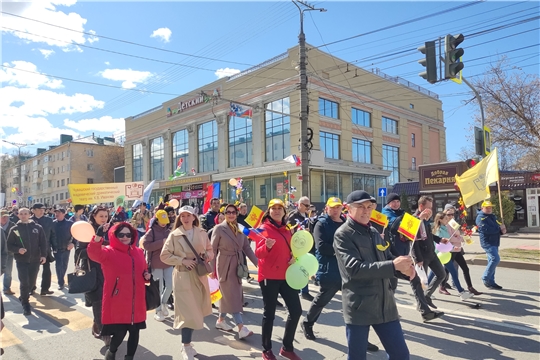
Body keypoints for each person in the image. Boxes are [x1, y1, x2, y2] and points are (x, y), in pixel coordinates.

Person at [334, 190, 414, 360]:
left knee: (401, 355)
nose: (366, 210)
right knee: (357, 357)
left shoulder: (374, 232)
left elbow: (387, 258)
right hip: (360, 307)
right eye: (361, 206)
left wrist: (405, 270)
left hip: (386, 306)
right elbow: (354, 269)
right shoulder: (343, 234)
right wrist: (393, 266)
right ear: (348, 208)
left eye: (370, 206)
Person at [302, 197, 379, 350]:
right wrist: (344, 252)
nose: (335, 210)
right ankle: (307, 323)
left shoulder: (346, 221)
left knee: (356, 305)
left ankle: (360, 338)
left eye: (338, 207)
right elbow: (322, 246)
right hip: (330, 270)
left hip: (348, 270)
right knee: (322, 299)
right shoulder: (321, 224)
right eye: (333, 207)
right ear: (327, 208)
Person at [88, 222, 150, 360]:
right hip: (118, 300)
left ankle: (129, 357)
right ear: (114, 235)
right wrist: (98, 236)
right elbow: (93, 253)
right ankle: (112, 351)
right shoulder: (108, 252)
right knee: (120, 332)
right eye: (121, 234)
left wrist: (146, 275)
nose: (125, 237)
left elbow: (143, 269)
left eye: (128, 234)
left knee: (135, 332)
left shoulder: (138, 251)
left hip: (137, 299)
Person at [160, 206, 214, 360]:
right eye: (182, 216)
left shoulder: (202, 233)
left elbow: (210, 250)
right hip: (182, 276)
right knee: (186, 313)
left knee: (196, 311)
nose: (185, 218)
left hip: (199, 275)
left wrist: (207, 256)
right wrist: (182, 260)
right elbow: (164, 255)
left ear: (194, 217)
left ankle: (188, 344)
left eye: (188, 215)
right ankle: (185, 345)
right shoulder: (174, 235)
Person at [256, 198, 303, 360]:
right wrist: (266, 246)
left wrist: (294, 258)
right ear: (268, 212)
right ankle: (266, 349)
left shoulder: (288, 230)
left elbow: (293, 251)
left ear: (284, 212)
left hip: (287, 276)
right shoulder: (262, 229)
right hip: (269, 276)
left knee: (296, 311)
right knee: (269, 314)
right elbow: (258, 254)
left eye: (279, 208)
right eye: (273, 208)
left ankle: (287, 348)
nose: (276, 211)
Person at [210, 204, 258, 339]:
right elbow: (212, 250)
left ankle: (220, 320)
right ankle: (241, 327)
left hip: (237, 264)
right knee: (232, 295)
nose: (231, 214)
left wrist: (257, 263)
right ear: (224, 214)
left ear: (236, 214)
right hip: (224, 264)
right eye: (228, 212)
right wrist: (211, 269)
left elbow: (247, 248)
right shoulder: (219, 229)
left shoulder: (241, 229)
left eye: (233, 212)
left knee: (231, 294)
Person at [76, 206, 111, 346]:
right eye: (101, 216)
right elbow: (80, 252)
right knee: (98, 301)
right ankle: (104, 332)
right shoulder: (87, 230)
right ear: (94, 217)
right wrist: (98, 247)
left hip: (108, 270)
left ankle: (98, 323)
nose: (104, 219)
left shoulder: (111, 229)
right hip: (93, 271)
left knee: (108, 301)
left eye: (106, 216)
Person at [6, 208, 47, 316]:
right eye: (21, 214)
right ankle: (25, 304)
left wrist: (43, 255)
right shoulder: (14, 229)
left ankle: (23, 296)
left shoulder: (37, 228)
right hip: (21, 261)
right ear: (18, 215)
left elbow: (43, 242)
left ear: (30, 214)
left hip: (35, 260)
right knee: (24, 282)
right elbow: (9, 245)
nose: (23, 216)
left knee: (32, 282)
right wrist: (18, 250)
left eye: (25, 214)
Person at [429, 212, 474, 301]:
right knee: (438, 273)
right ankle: (425, 290)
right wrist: (451, 247)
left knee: (449, 272)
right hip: (439, 254)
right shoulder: (439, 230)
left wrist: (453, 247)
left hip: (444, 254)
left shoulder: (445, 228)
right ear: (440, 220)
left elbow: (447, 242)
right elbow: (440, 244)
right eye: (445, 218)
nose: (447, 220)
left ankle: (461, 292)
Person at [411, 196, 446, 311]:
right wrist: (417, 258)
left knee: (441, 274)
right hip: (421, 256)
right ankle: (422, 306)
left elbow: (428, 235)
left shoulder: (426, 219)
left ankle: (427, 296)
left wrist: (439, 240)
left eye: (431, 207)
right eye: (428, 207)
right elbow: (412, 240)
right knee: (422, 282)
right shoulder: (412, 219)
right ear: (421, 206)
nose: (431, 210)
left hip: (431, 252)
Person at [140, 210, 173, 322]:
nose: (163, 223)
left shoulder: (169, 231)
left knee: (170, 285)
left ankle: (163, 303)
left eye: (165, 221)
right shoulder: (151, 231)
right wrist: (162, 242)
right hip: (155, 263)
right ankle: (158, 310)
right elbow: (146, 245)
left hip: (168, 262)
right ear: (157, 220)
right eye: (161, 221)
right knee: (158, 288)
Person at [441, 206, 482, 295]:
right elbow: (450, 239)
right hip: (450, 250)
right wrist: (462, 239)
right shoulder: (446, 225)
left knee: (465, 268)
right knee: (447, 270)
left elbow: (457, 235)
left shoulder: (453, 223)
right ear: (445, 215)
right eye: (449, 214)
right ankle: (442, 286)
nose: (451, 216)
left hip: (457, 249)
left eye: (453, 214)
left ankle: (470, 287)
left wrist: (466, 236)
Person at [287, 196, 314, 301]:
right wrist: (300, 232)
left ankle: (302, 290)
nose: (308, 208)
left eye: (309, 205)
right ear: (300, 205)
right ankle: (303, 291)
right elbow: (289, 230)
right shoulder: (293, 215)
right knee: (299, 268)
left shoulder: (307, 215)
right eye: (307, 205)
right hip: (296, 246)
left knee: (304, 268)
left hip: (305, 246)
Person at [476, 200, 506, 289]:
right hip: (487, 242)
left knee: (491, 261)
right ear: (482, 208)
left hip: (495, 242)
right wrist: (498, 229)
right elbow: (486, 230)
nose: (489, 209)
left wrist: (502, 230)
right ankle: (485, 277)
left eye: (490, 207)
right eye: (487, 208)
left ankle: (491, 282)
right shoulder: (480, 217)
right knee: (495, 259)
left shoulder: (492, 216)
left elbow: (497, 228)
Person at [29, 203, 56, 296]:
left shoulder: (49, 220)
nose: (42, 211)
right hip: (33, 249)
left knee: (47, 270)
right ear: (34, 210)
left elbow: (53, 234)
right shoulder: (29, 220)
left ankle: (45, 289)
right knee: (33, 270)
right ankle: (31, 288)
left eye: (43, 209)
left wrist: (54, 247)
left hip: (46, 248)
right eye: (40, 209)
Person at [52, 209, 74, 290]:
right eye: (55, 213)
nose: (57, 214)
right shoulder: (53, 223)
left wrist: (73, 243)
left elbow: (75, 235)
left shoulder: (70, 224)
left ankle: (61, 279)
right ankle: (60, 282)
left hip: (66, 247)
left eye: (59, 213)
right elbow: (50, 235)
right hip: (56, 248)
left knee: (64, 264)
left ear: (64, 214)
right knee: (58, 265)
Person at [1, 210, 16, 295]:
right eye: (2, 216)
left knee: (8, 272)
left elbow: (18, 237)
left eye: (6, 216)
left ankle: (6, 288)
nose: (4, 218)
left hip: (8, 253)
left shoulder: (12, 226)